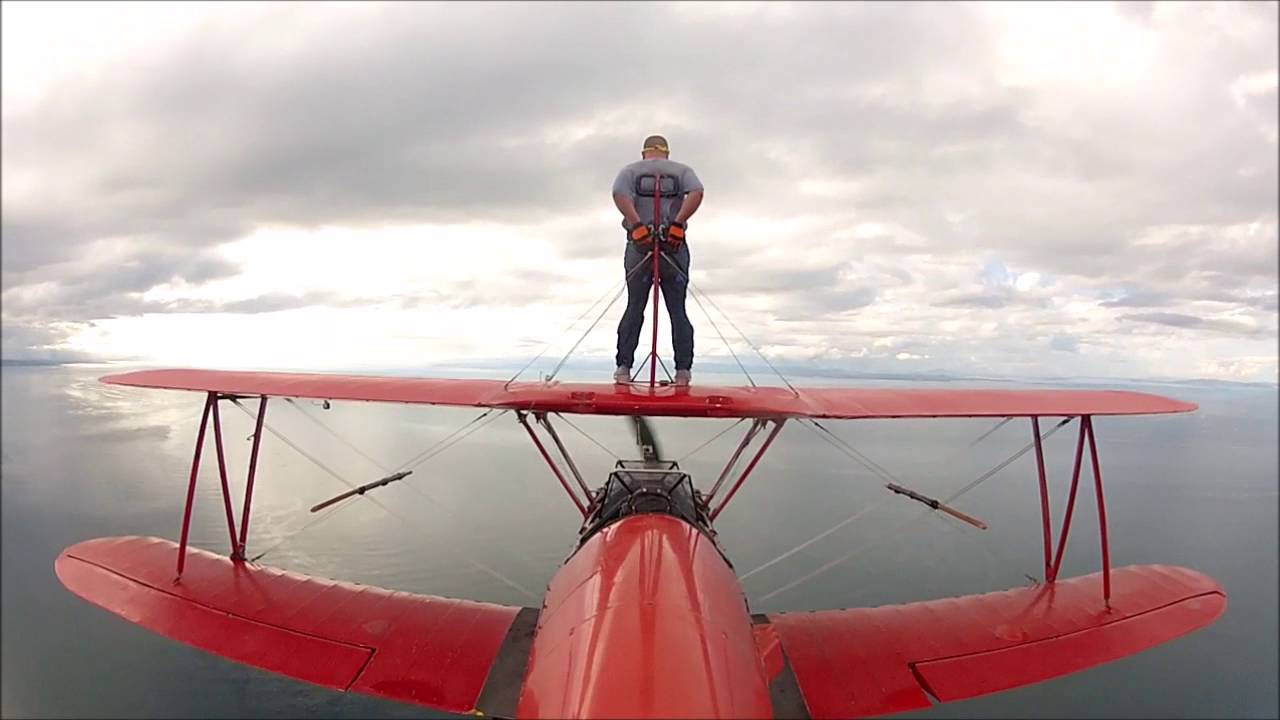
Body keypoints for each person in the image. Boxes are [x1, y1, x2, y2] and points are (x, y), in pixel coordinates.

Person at [611, 134, 704, 386]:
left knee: (634, 306)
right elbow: (697, 192)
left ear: (644, 153)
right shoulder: (683, 171)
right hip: (673, 245)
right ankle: (683, 372)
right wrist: (676, 223)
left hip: (639, 246)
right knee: (677, 309)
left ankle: (623, 369)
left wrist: (637, 224)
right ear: (666, 152)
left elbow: (619, 194)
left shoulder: (629, 171)